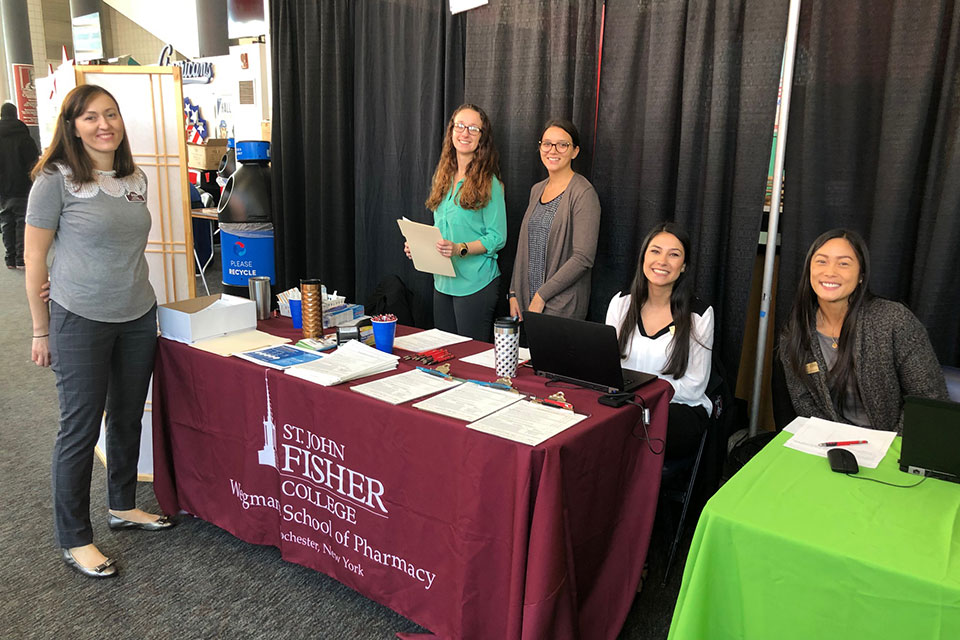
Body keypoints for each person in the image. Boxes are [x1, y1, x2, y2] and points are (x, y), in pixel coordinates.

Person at [24, 84, 173, 579]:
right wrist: (40, 330)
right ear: (72, 126)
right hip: (78, 317)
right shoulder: (55, 179)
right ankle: (75, 537)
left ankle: (123, 505)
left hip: (136, 313)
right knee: (80, 428)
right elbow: (34, 257)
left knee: (128, 415)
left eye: (111, 114)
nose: (103, 124)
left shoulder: (135, 178)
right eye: (90, 117)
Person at [779, 229, 947, 432]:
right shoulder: (796, 331)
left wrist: (890, 446)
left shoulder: (894, 320)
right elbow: (804, 403)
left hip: (895, 444)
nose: (830, 271)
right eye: (821, 261)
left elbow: (927, 399)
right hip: (831, 443)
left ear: (861, 276)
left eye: (844, 263)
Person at [606, 223, 714, 459]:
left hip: (679, 409)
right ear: (644, 256)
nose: (662, 261)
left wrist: (643, 398)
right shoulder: (621, 304)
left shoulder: (699, 315)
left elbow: (694, 387)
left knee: (630, 430)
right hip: (626, 406)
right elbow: (607, 368)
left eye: (674, 254)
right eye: (655, 251)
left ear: (683, 266)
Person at [405, 104, 507, 341]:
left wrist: (459, 248)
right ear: (451, 131)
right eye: (460, 126)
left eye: (473, 128)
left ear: (482, 138)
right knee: (447, 356)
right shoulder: (444, 177)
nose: (465, 133)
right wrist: (419, 248)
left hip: (476, 283)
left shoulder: (490, 183)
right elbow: (442, 231)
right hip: (443, 282)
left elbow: (497, 237)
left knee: (470, 359)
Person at [509, 119, 600, 320]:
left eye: (562, 145)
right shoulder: (537, 190)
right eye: (547, 144)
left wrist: (542, 295)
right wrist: (514, 292)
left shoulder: (583, 193)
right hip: (527, 303)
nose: (553, 150)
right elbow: (524, 245)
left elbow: (583, 258)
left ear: (575, 151)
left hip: (562, 307)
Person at [0, 102, 39, 269]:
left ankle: (9, 259)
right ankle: (20, 259)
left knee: (6, 221)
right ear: (16, 114)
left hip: (2, 189)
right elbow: (33, 164)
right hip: (23, 187)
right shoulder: (25, 137)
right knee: (22, 221)